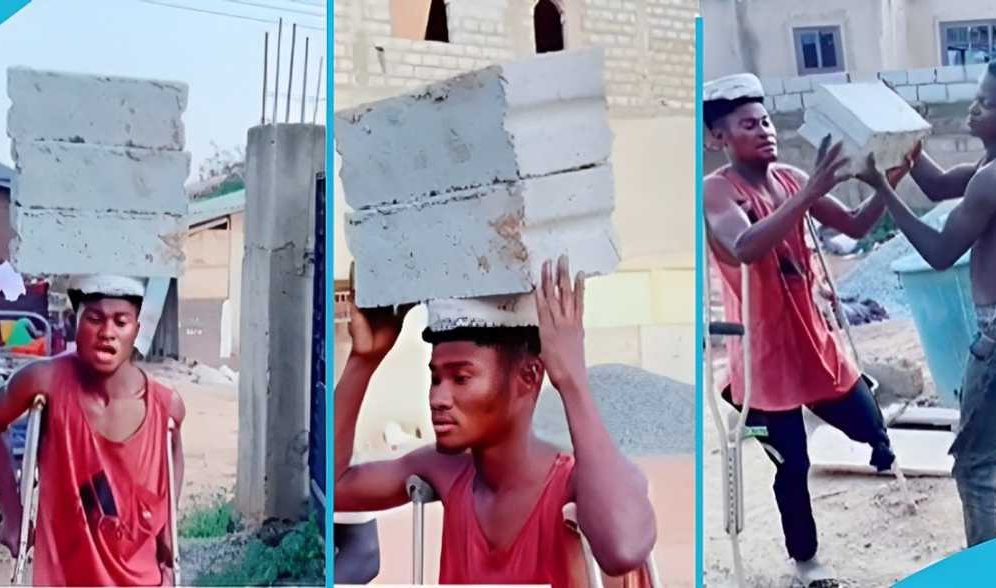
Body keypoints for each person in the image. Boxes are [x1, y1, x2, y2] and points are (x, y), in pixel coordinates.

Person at [702, 73, 914, 586]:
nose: (766, 131)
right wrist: (812, 191)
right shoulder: (715, 191)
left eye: (767, 121)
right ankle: (807, 563)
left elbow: (857, 225)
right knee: (791, 465)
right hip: (763, 356)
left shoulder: (792, 178)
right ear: (718, 138)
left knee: (868, 422)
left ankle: (878, 447)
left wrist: (891, 179)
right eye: (749, 125)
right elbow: (746, 245)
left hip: (811, 339)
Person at [334, 256, 656, 587]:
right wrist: (364, 359)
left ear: (529, 376)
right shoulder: (449, 470)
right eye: (436, 379)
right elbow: (332, 488)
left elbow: (624, 549)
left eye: (460, 378)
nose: (437, 398)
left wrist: (572, 380)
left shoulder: (577, 484)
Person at [855, 57, 996, 548]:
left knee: (974, 469)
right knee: (986, 459)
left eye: (987, 103)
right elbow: (940, 185)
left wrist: (882, 188)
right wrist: (905, 147)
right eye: (976, 96)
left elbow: (940, 252)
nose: (973, 108)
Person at [0, 275, 186, 586]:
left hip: (141, 577)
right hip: (66, 575)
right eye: (94, 319)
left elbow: (173, 450)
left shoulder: (165, 405)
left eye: (121, 322)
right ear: (75, 323)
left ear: (137, 331)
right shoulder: (43, 382)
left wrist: (168, 527)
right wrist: (12, 513)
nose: (107, 333)